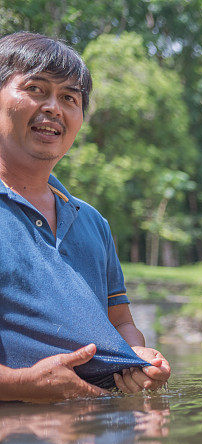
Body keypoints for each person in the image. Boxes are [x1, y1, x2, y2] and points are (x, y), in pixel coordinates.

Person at [0, 32, 171, 402]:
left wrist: (136, 357)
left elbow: (120, 321)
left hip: (103, 431)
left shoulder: (92, 222)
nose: (53, 108)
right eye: (36, 89)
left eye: (69, 98)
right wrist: (20, 383)